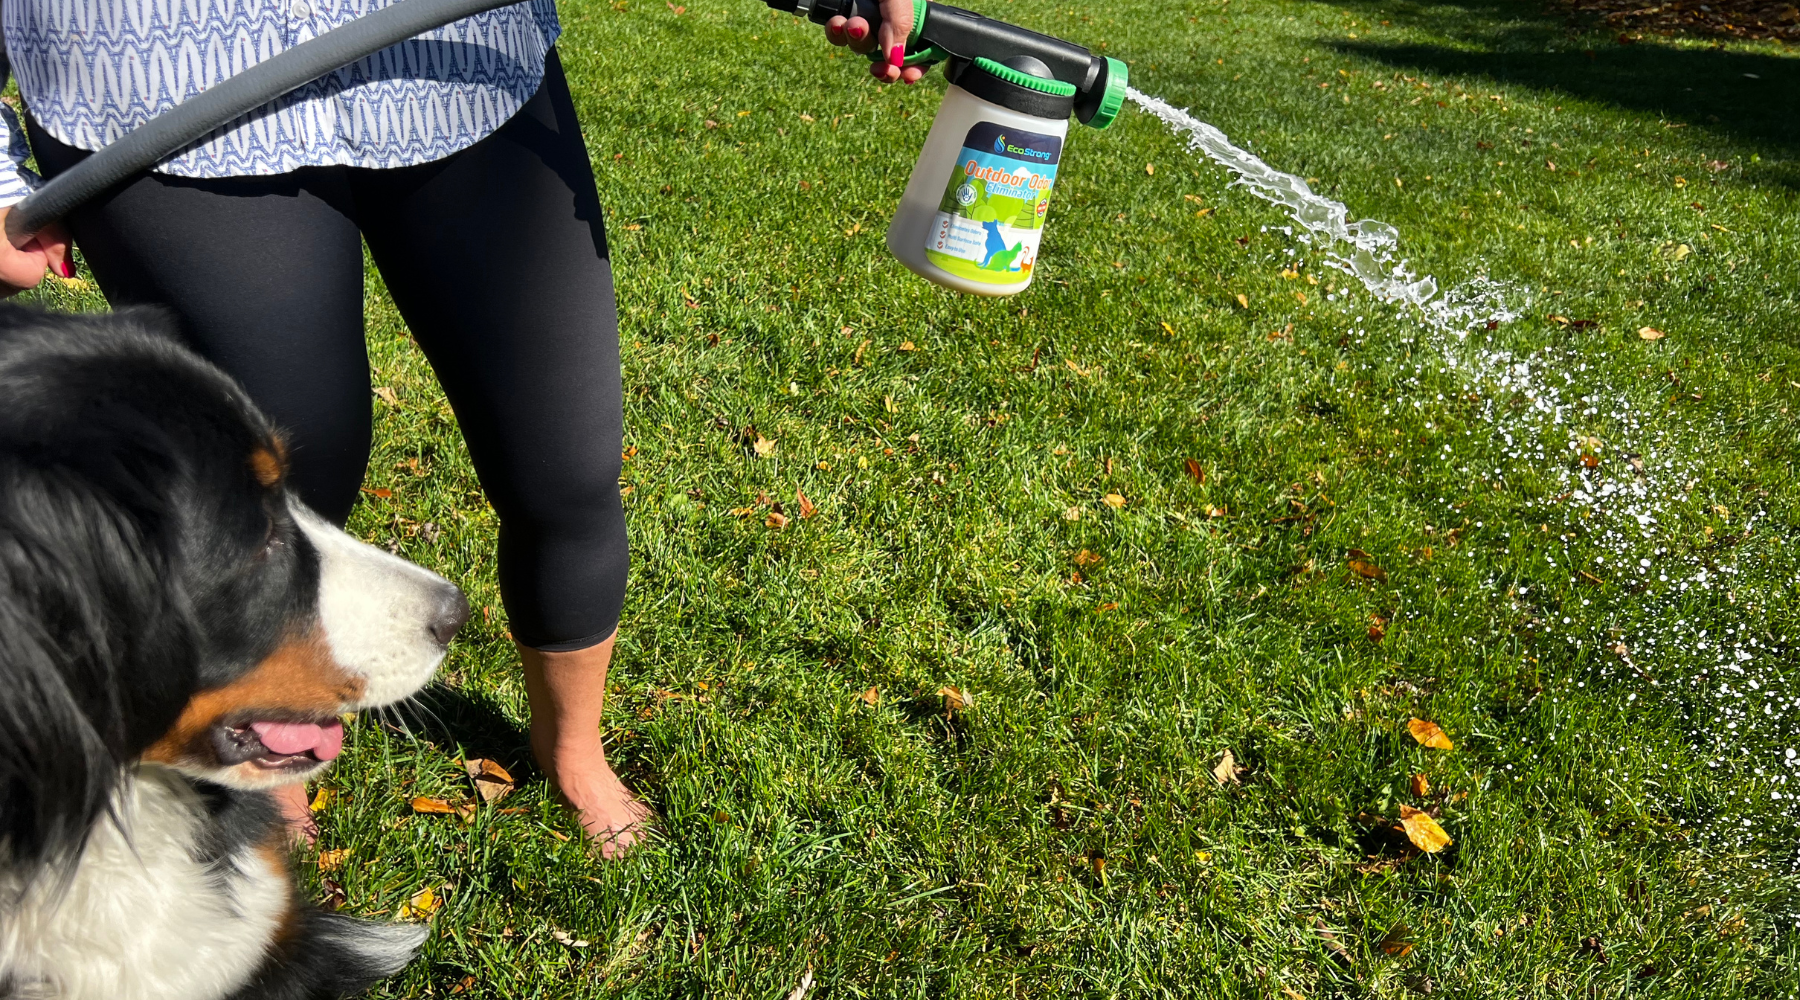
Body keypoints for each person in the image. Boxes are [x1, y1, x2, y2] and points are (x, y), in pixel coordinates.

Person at [0, 0, 927, 856]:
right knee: (278, 488)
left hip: (457, 63)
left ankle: (571, 749)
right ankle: (266, 760)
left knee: (562, 463)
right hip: (162, 85)